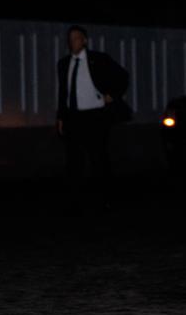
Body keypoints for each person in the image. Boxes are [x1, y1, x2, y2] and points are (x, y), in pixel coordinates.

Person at [56, 25, 131, 211]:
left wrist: (112, 94)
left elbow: (123, 76)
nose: (72, 42)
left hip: (95, 116)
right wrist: (61, 117)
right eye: (70, 38)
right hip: (74, 116)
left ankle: (105, 198)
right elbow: (63, 92)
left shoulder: (99, 59)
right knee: (73, 159)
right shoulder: (64, 63)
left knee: (99, 157)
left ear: (84, 40)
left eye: (76, 38)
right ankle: (75, 199)